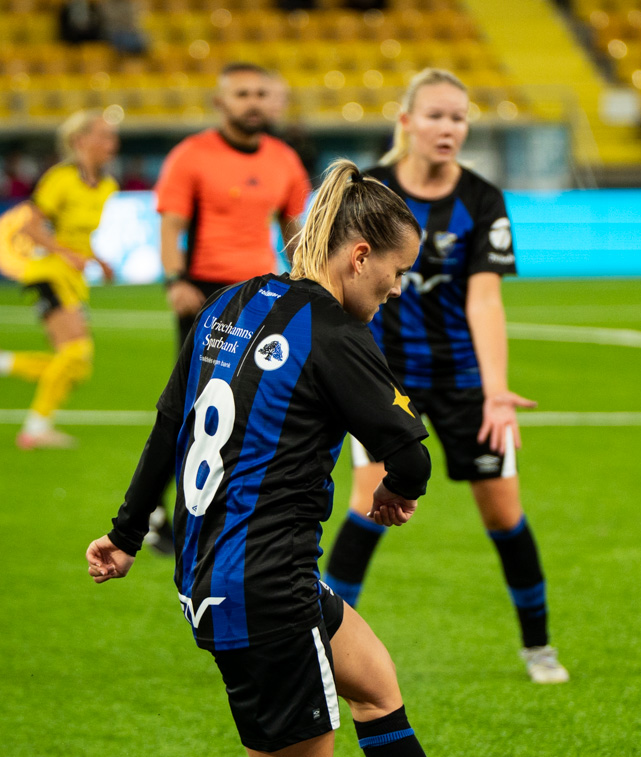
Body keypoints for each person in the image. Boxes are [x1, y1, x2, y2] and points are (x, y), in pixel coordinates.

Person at [74, 160, 493, 757]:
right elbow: (410, 452)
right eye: (396, 272)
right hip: (258, 589)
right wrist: (397, 494)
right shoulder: (336, 335)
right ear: (359, 256)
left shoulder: (229, 302)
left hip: (227, 569)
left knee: (374, 681)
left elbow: (168, 423)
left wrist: (126, 534)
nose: (397, 290)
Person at [323, 69, 569, 685]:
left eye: (459, 117)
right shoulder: (369, 192)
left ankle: (538, 647)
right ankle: (318, 642)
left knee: (503, 513)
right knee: (366, 502)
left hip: (463, 381)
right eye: (435, 115)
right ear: (406, 121)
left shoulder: (481, 198)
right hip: (383, 378)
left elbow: (484, 300)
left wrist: (496, 392)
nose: (448, 127)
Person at [148, 62, 311, 552]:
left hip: (261, 295)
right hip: (204, 295)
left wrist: (309, 281)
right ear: (220, 102)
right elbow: (172, 225)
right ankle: (158, 513)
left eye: (261, 92)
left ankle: (227, 512)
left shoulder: (284, 159)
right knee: (193, 408)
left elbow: (294, 229)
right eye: (242, 93)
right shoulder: (191, 155)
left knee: (250, 407)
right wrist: (175, 280)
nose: (253, 102)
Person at [0, 111, 117, 449]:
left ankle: (6, 363)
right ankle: (36, 428)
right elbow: (30, 227)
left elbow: (80, 237)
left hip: (72, 278)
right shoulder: (61, 178)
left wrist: (98, 260)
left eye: (112, 136)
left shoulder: (107, 186)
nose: (112, 143)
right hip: (48, 273)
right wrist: (65, 253)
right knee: (76, 351)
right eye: (103, 135)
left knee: (76, 367)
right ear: (79, 140)